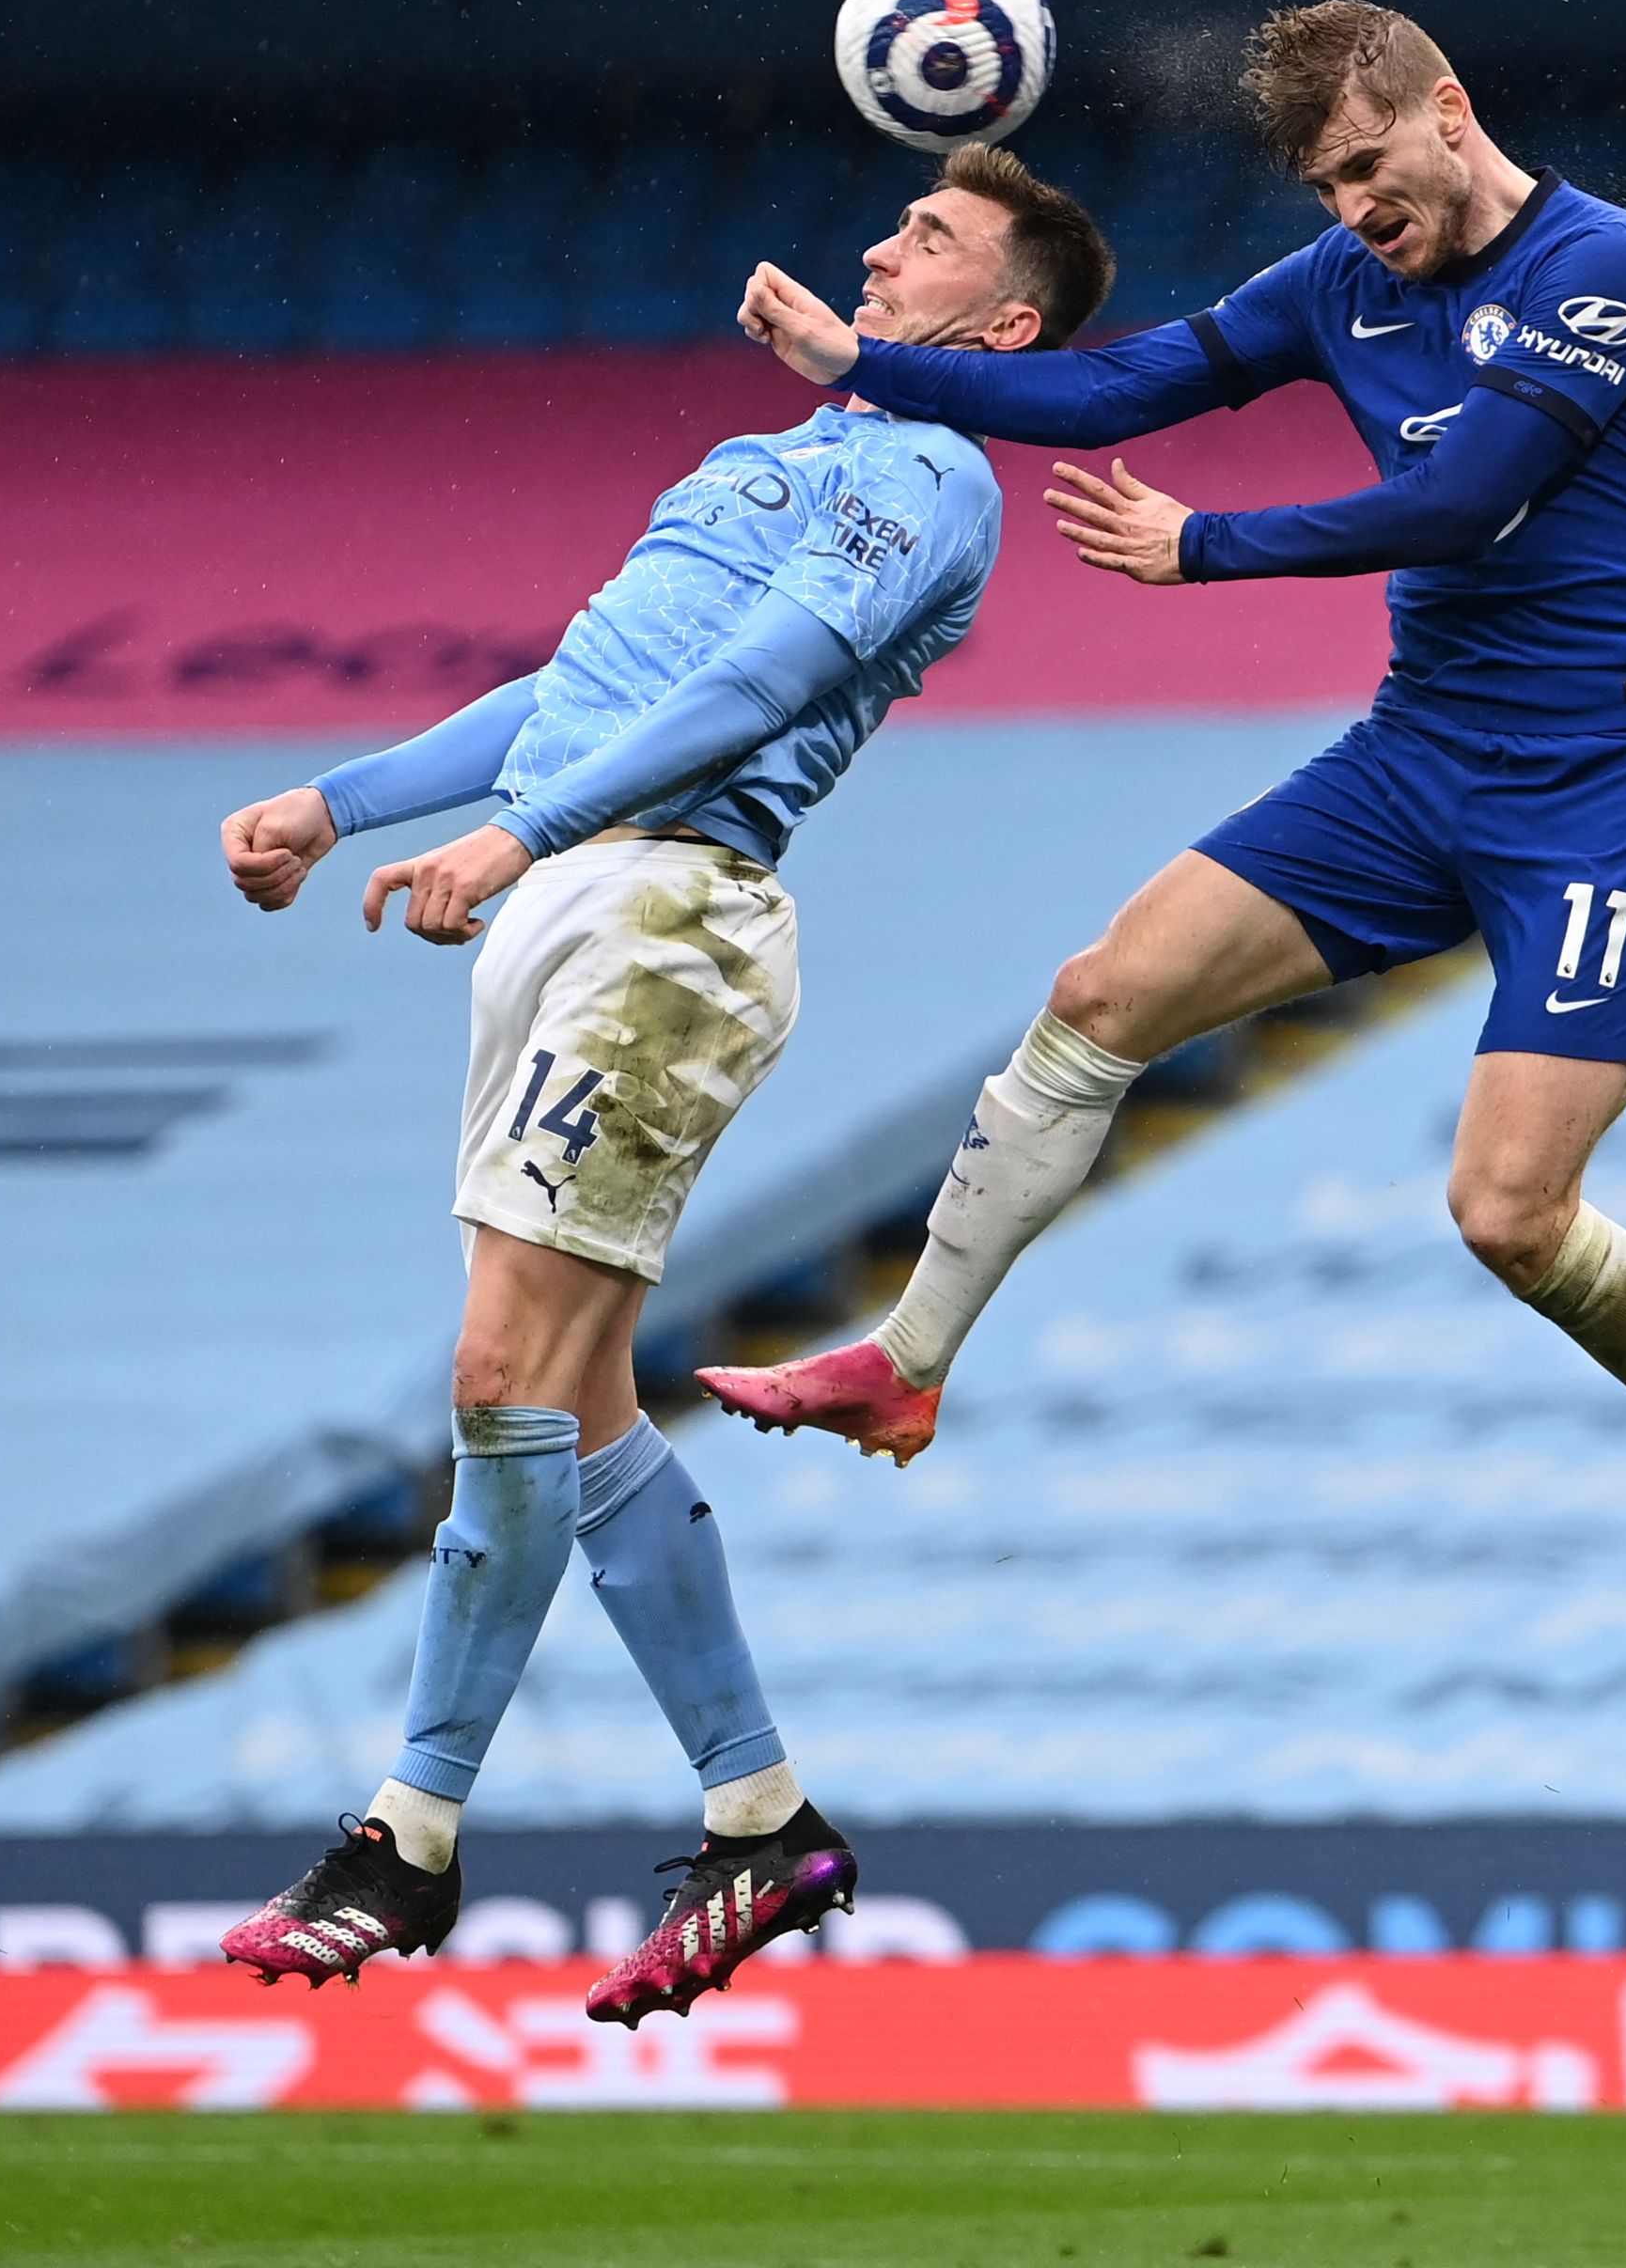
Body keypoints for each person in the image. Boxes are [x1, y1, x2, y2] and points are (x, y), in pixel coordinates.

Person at [711, 0, 1626, 1666]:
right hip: (1417, 754)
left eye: (1371, 170)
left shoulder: (1604, 268)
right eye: (1323, 190)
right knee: (1099, 997)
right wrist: (865, 364)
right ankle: (910, 1360)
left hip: (1597, 784)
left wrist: (1205, 547)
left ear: (1451, 109)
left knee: (1509, 1214)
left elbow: (1463, 501)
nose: (1357, 214)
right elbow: (1115, 392)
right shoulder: (1342, 283)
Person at [205, 142, 1113, 2020]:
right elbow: (590, 680)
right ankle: (761, 1816)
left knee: (496, 1378)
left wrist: (524, 837)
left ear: (1005, 326)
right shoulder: (755, 463)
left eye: (929, 238)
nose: (880, 244)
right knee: (574, 1404)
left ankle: (410, 1834)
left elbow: (764, 684)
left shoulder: (936, 474)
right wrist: (341, 799)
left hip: (666, 913)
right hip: (583, 895)